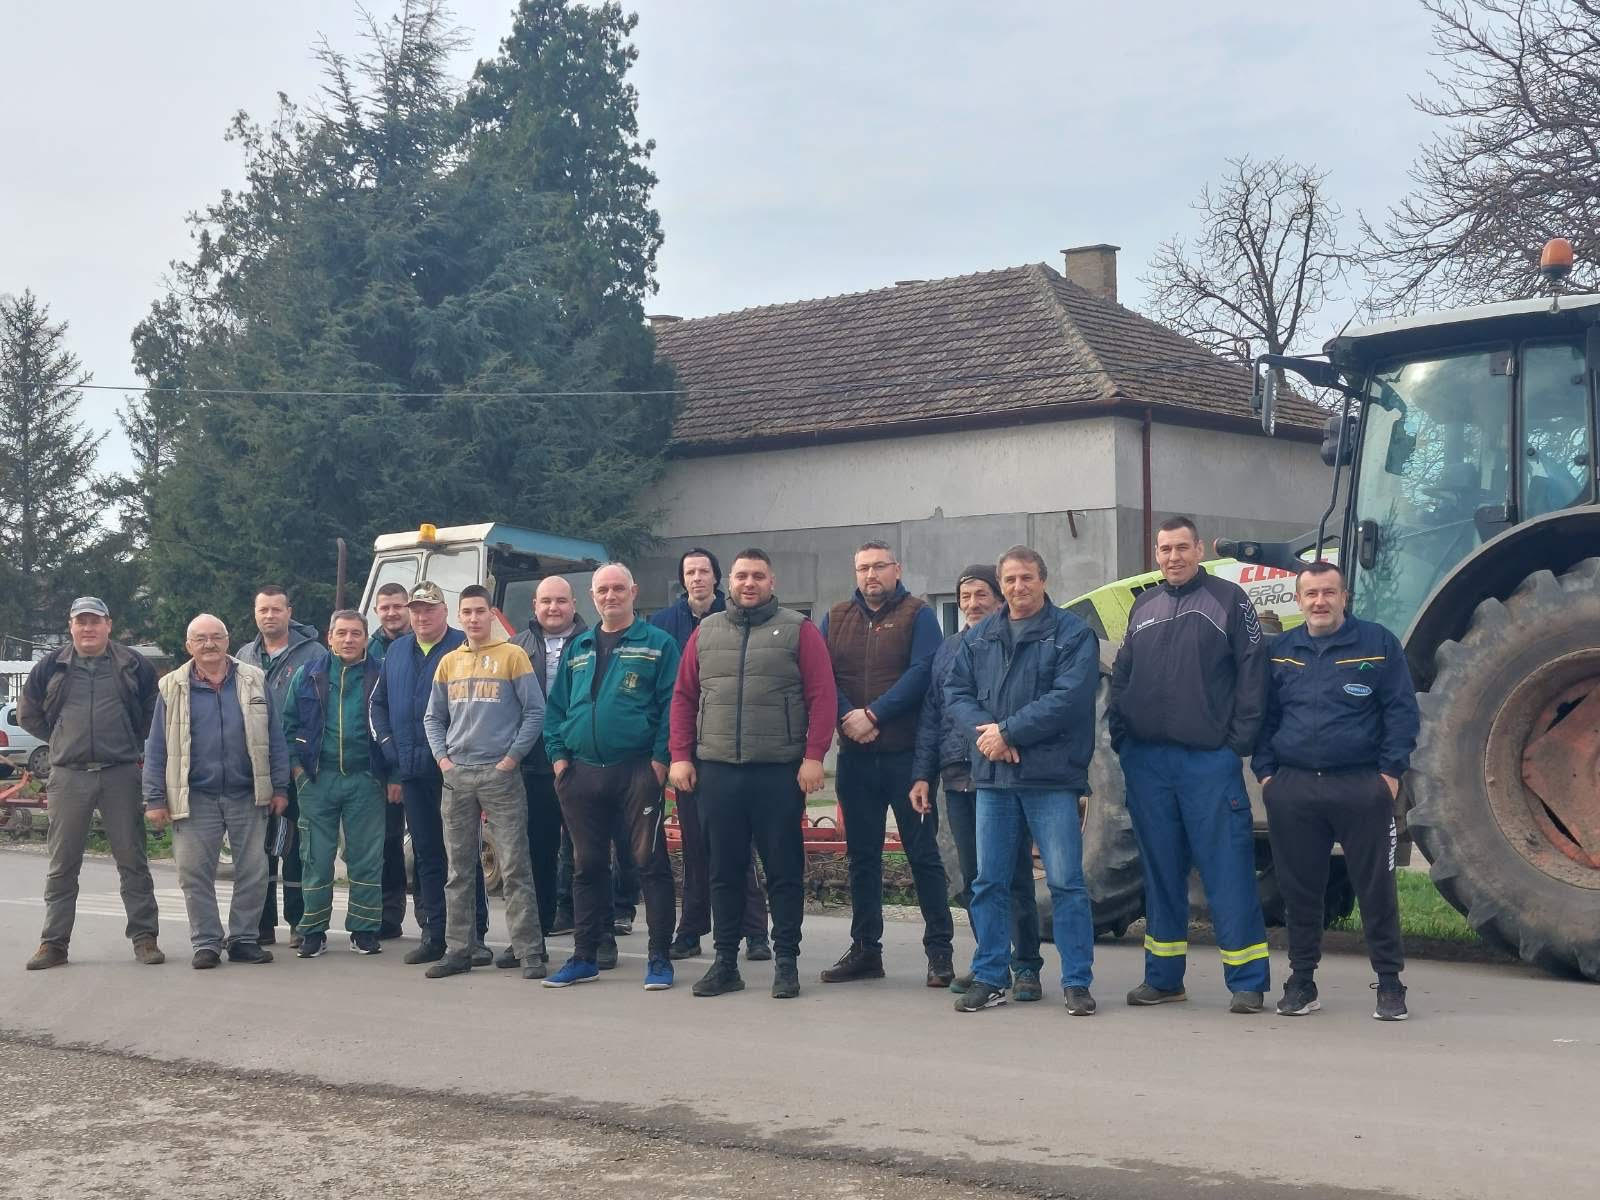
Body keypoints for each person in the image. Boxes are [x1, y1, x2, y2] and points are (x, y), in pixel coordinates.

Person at [1110, 516, 1271, 1013]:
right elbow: (1122, 674)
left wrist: (1236, 743)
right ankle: (1163, 979)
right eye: (1165, 549)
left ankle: (1247, 982)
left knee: (1227, 871)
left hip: (1208, 761)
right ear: (1155, 554)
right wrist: (1121, 734)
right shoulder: (1144, 605)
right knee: (1160, 873)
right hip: (1147, 763)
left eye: (1182, 547)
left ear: (1198, 549)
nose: (1173, 557)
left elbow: (1253, 673)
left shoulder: (1229, 600)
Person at [1253, 562, 1420, 1021]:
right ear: (1299, 600)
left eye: (1328, 592)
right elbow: (1264, 718)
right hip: (1295, 789)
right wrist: (1268, 775)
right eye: (1311, 594)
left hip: (1361, 787)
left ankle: (1390, 984)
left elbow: (1401, 714)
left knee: (1376, 889)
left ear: (1344, 596)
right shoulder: (1281, 650)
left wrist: (1388, 776)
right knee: (1300, 891)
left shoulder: (1378, 644)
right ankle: (1302, 981)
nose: (1320, 602)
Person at [668, 548, 836, 999]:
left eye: (757, 576)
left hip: (778, 772)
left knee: (783, 871)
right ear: (732, 582)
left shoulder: (798, 630)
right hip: (717, 771)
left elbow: (823, 696)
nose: (748, 583)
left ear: (771, 581)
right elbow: (684, 697)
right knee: (723, 870)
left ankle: (786, 962)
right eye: (742, 576)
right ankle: (725, 963)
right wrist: (681, 755)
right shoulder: (706, 632)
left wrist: (814, 755)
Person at [946, 547, 1100, 1013]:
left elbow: (1070, 698)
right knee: (989, 882)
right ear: (1002, 583)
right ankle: (991, 976)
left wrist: (1009, 732)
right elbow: (956, 692)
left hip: (1051, 779)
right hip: (993, 778)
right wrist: (988, 738)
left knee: (1067, 883)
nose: (1018, 587)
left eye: (1027, 578)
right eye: (1010, 579)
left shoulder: (1072, 634)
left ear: (1044, 580)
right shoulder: (980, 637)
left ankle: (1076, 981)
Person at [818, 541, 953, 987]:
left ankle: (940, 954)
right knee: (862, 858)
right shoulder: (835, 618)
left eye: (879, 566)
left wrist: (873, 714)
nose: (871, 574)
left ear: (897, 569)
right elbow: (822, 677)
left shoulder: (919, 615)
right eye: (862, 568)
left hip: (906, 759)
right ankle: (865, 951)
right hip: (856, 761)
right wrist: (848, 718)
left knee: (923, 857)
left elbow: (923, 673)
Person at [541, 564, 681, 989]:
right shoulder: (578, 646)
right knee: (587, 866)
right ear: (592, 595)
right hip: (582, 772)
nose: (611, 596)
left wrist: (659, 760)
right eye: (603, 590)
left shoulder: (658, 644)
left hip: (637, 770)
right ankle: (585, 955)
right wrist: (559, 757)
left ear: (633, 592)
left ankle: (659, 958)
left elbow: (673, 706)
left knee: (648, 862)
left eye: (619, 588)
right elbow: (556, 709)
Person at [909, 565, 1045, 999]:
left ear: (999, 599)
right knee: (975, 879)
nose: (972, 604)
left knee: (1016, 875)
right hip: (958, 777)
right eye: (964, 596)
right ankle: (990, 963)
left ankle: (1026, 966)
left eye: (981, 595)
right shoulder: (948, 651)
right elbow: (934, 715)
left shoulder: (1011, 641)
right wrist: (922, 776)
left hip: (1005, 775)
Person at [20, 596, 164, 971]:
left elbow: (154, 708)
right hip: (68, 775)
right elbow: (28, 714)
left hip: (120, 773)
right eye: (81, 621)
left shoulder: (133, 663)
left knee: (132, 860)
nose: (88, 628)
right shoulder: (51, 665)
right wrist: (61, 737)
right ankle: (53, 944)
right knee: (62, 864)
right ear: (71, 626)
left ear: (108, 625)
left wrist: (132, 740)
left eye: (95, 621)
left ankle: (145, 939)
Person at [142, 614, 290, 969]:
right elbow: (157, 746)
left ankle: (243, 939)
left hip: (247, 792)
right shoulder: (172, 686)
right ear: (188, 645)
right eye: (200, 639)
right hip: (195, 796)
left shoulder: (254, 679)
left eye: (216, 637)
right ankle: (206, 943)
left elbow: (275, 737)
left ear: (227, 639)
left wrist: (280, 786)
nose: (209, 644)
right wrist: (154, 797)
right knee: (194, 873)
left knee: (253, 871)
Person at [650, 548, 770, 962]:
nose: (697, 578)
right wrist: (672, 752)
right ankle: (691, 930)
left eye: (704, 571)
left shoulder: (736, 615)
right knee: (695, 844)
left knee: (741, 844)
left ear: (718, 578)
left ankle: (754, 930)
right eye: (689, 572)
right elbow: (673, 694)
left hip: (733, 749)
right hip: (688, 751)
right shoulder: (663, 625)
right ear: (681, 580)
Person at [421, 584, 547, 979]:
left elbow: (535, 712)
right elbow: (433, 717)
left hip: (500, 775)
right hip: (458, 776)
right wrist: (444, 760)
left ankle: (529, 951)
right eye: (467, 612)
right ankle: (460, 948)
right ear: (459, 617)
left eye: (480, 611)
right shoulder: (449, 662)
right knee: (458, 869)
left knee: (513, 866)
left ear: (492, 614)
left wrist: (511, 760)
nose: (474, 618)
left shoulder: (513, 656)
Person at [369, 582, 492, 966]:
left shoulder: (462, 648)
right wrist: (391, 751)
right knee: (427, 856)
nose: (421, 616)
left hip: (455, 772)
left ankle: (474, 937)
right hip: (412, 772)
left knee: (463, 856)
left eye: (429, 609)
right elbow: (378, 705)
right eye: (416, 610)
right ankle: (434, 935)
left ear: (445, 612)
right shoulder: (396, 652)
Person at [509, 574, 607, 963]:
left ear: (574, 603)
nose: (553, 608)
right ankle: (537, 938)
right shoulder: (516, 646)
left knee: (590, 852)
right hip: (534, 764)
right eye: (546, 601)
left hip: (583, 761)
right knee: (538, 852)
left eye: (561, 601)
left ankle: (597, 938)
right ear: (534, 605)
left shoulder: (594, 642)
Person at [282, 610, 390, 958]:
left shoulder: (380, 674)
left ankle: (364, 929)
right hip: (318, 779)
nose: (348, 639)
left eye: (355, 633)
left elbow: (397, 724)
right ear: (329, 637)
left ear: (365, 637)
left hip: (366, 778)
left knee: (365, 857)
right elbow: (288, 725)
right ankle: (313, 930)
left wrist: (393, 775)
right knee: (315, 856)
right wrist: (297, 770)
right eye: (341, 633)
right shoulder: (308, 675)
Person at [235, 585, 323, 947]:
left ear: (290, 612)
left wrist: (301, 763)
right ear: (255, 614)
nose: (269, 616)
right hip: (253, 769)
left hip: (299, 769)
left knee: (296, 849)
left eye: (276, 609)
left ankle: (299, 923)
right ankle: (261, 923)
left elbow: (318, 712)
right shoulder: (243, 655)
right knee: (258, 850)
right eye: (263, 610)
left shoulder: (313, 654)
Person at [366, 581, 412, 939]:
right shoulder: (368, 651)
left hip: (427, 760)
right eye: (385, 608)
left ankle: (434, 919)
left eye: (398, 606)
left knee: (433, 844)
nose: (392, 613)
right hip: (384, 761)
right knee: (388, 842)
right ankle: (390, 915)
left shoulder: (423, 643)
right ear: (377, 612)